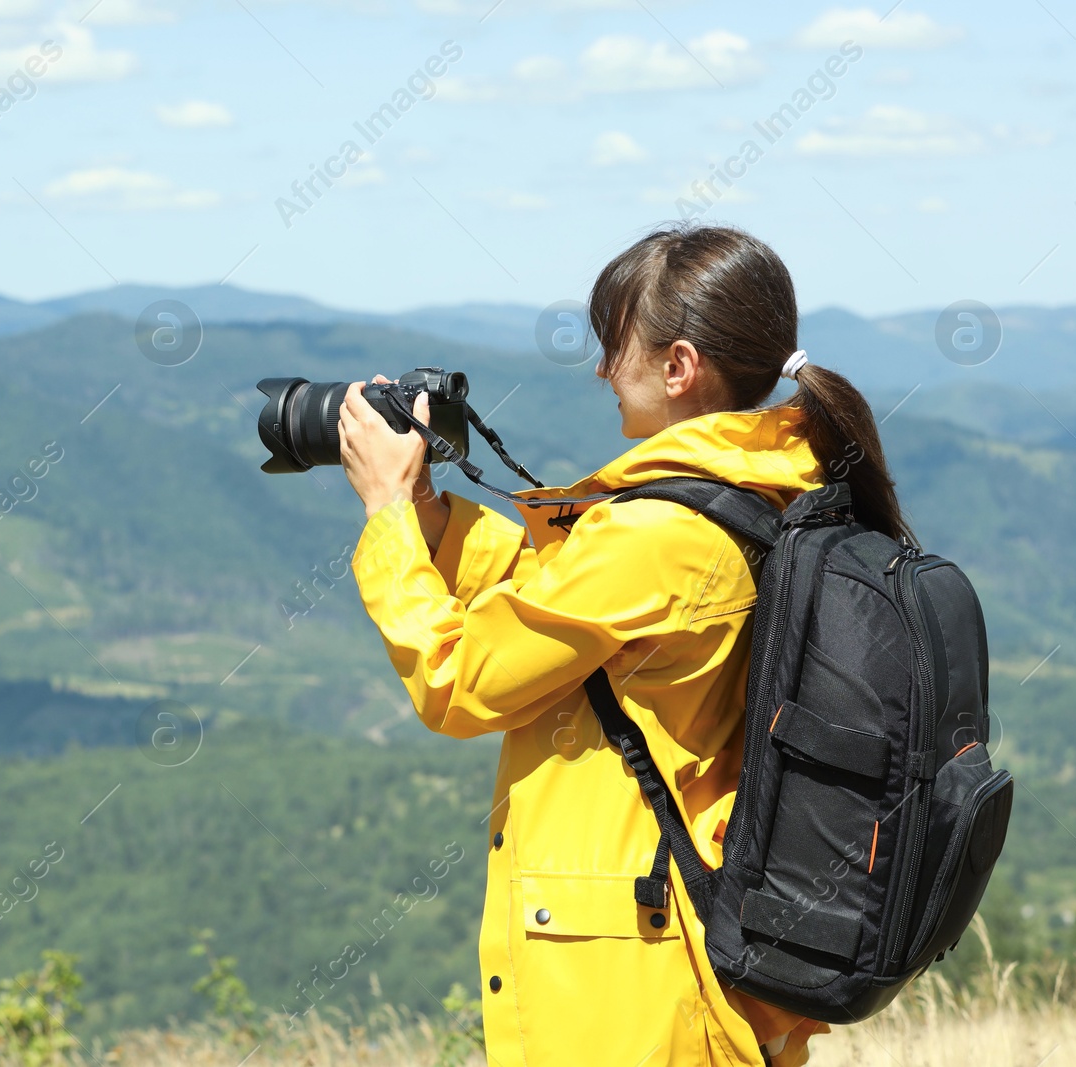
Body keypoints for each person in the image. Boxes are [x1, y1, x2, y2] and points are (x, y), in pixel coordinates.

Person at [337, 224, 911, 1066]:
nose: (605, 370)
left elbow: (458, 681)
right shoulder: (762, 488)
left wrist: (387, 516)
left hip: (632, 995)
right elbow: (566, 602)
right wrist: (431, 512)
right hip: (687, 964)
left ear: (677, 366)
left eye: (615, 345)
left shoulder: (658, 534)